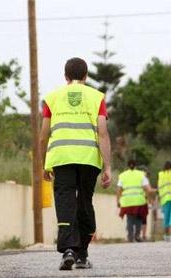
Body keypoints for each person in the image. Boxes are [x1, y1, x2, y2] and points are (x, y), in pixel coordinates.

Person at [40, 57, 111, 270]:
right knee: (84, 202)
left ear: (65, 77)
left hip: (61, 158)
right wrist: (107, 166)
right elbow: (103, 133)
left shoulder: (52, 98)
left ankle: (68, 249)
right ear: (86, 76)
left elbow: (44, 135)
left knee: (65, 202)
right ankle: (82, 254)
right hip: (89, 159)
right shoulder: (96, 97)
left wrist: (44, 164)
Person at [117, 160, 155, 242]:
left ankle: (130, 237)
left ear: (128, 166)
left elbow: (119, 190)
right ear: (136, 166)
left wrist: (118, 201)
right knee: (139, 219)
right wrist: (149, 199)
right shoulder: (141, 175)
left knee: (129, 219)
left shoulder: (122, 175)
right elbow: (147, 189)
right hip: (139, 201)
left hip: (127, 202)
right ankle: (137, 236)